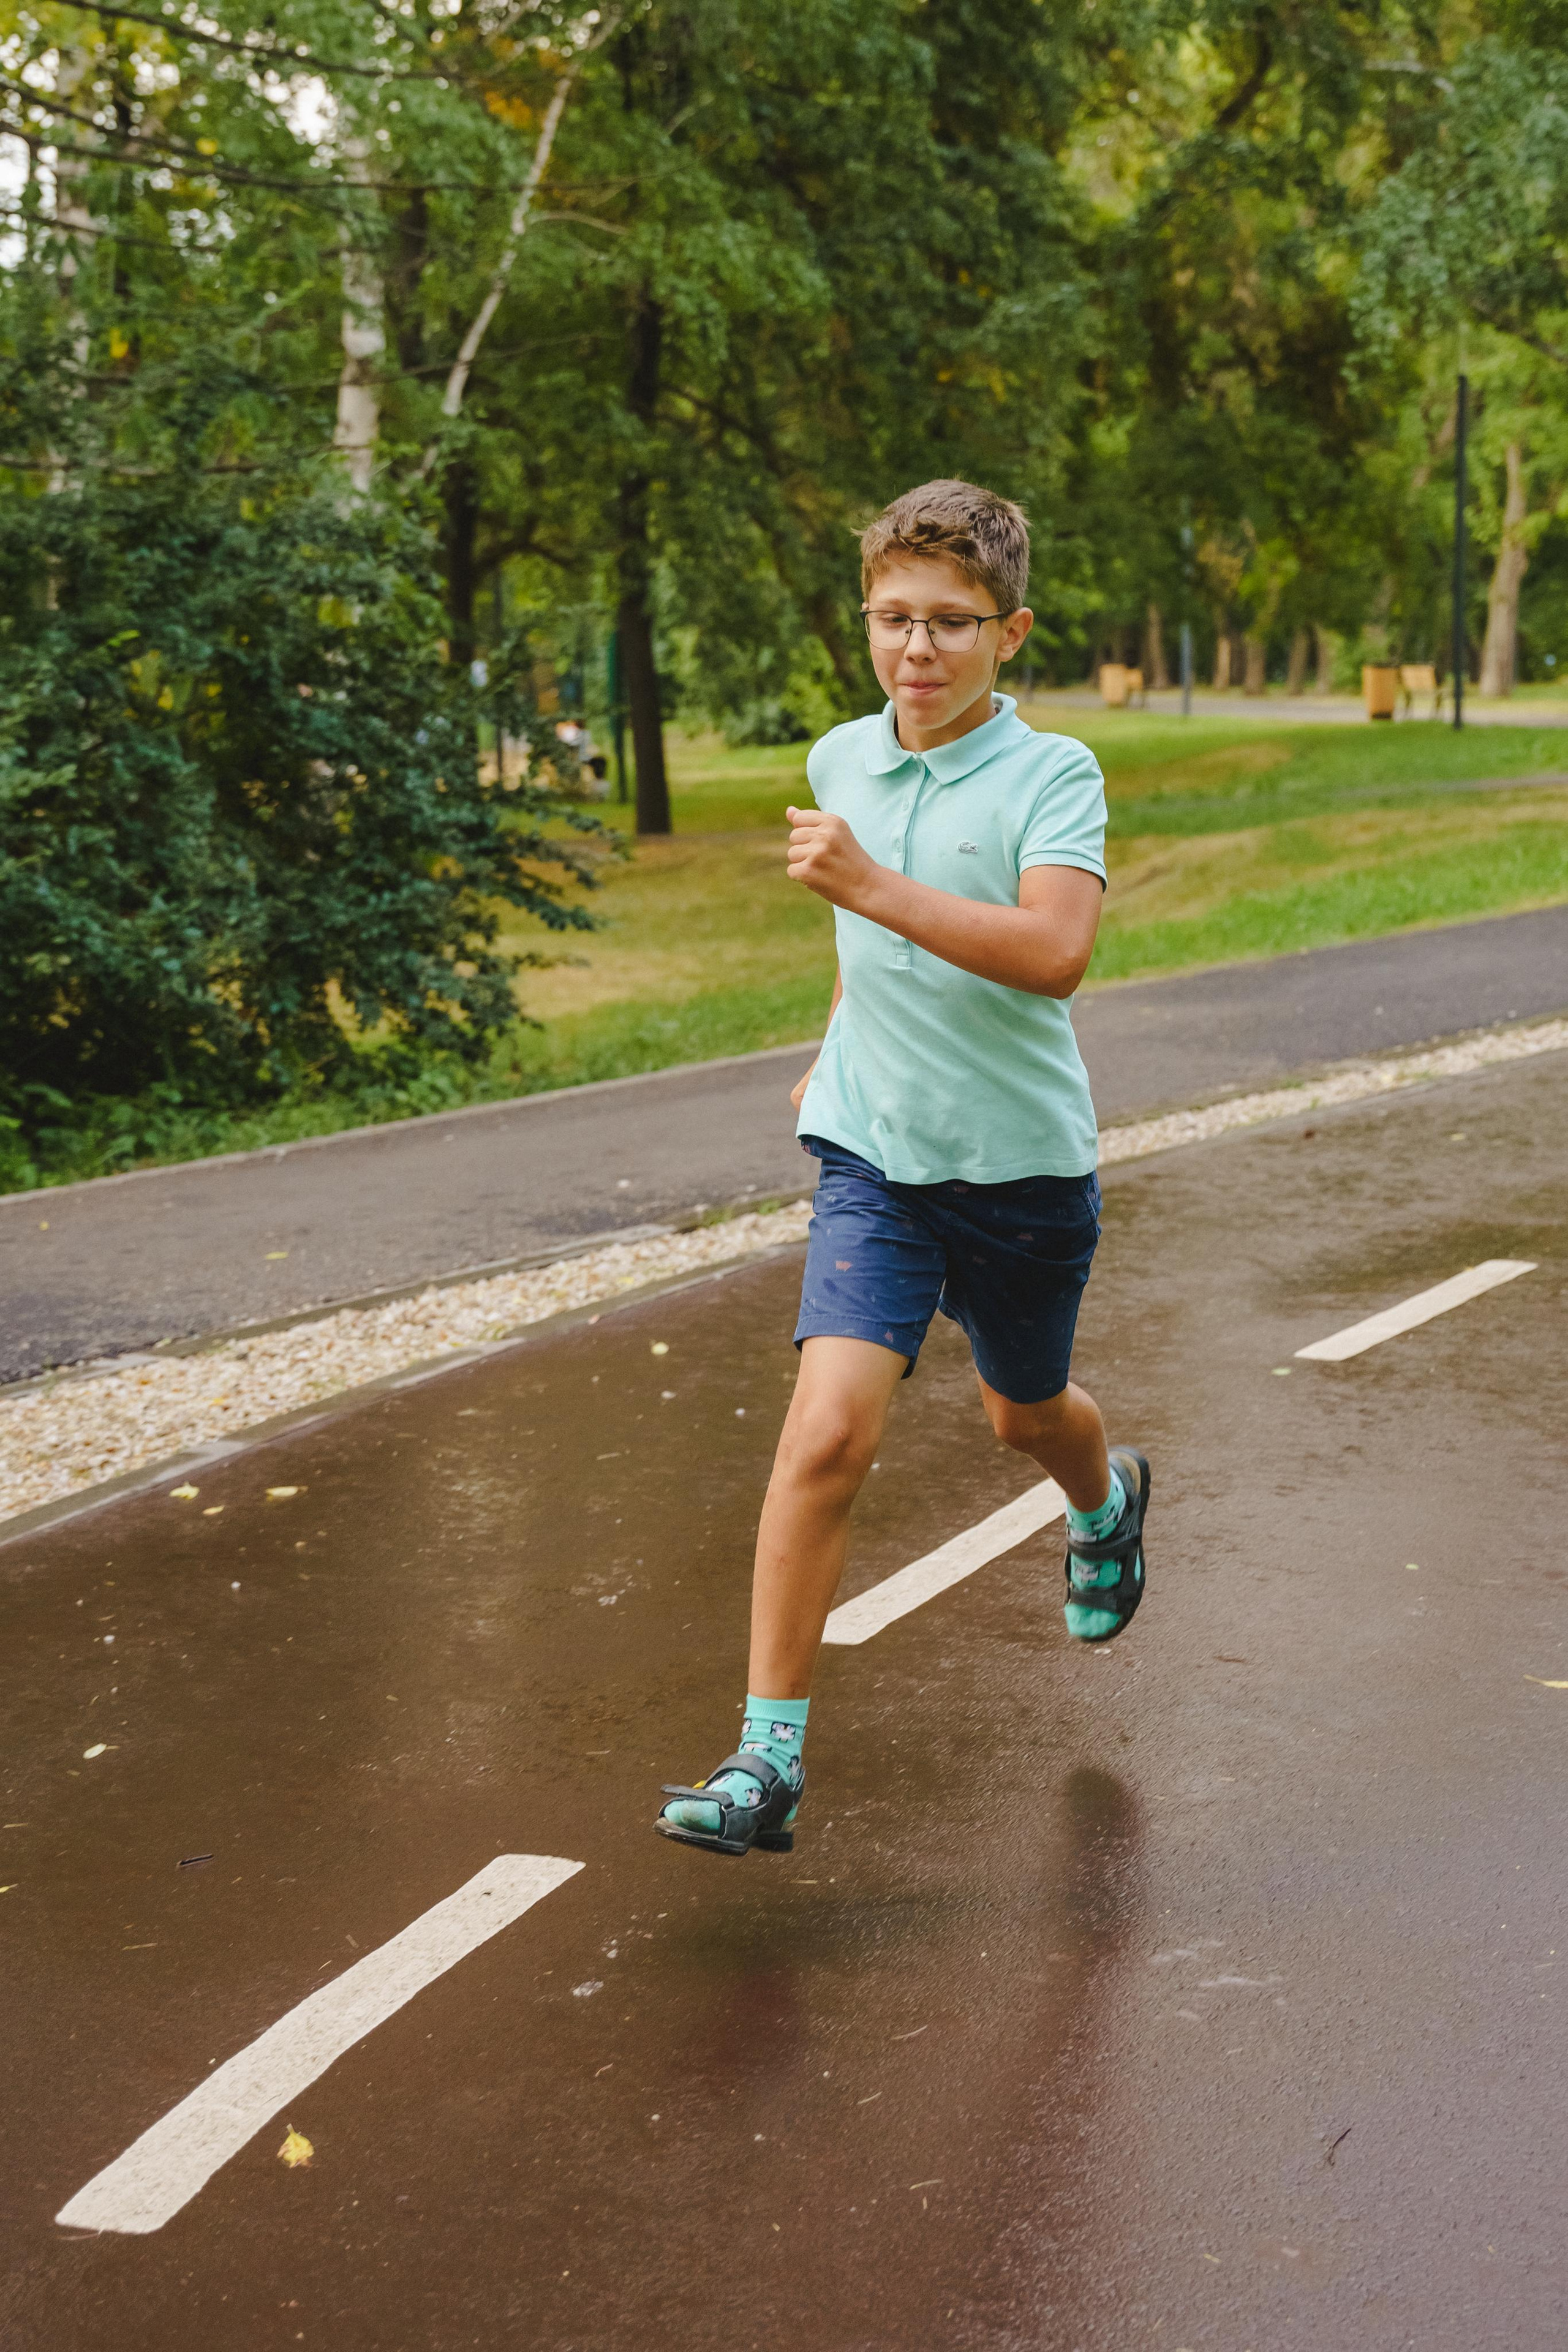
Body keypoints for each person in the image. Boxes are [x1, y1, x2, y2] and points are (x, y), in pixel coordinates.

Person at [655, 479, 1150, 1859]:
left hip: (1018, 1172)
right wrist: (834, 1045)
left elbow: (1054, 954)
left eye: (949, 623)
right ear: (861, 618)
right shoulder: (838, 758)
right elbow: (859, 952)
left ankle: (1101, 1505)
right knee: (825, 1435)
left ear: (1011, 633)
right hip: (874, 1153)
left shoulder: (1052, 775)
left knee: (1024, 1414)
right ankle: (766, 1762)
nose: (915, 651)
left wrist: (867, 886)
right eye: (891, 619)